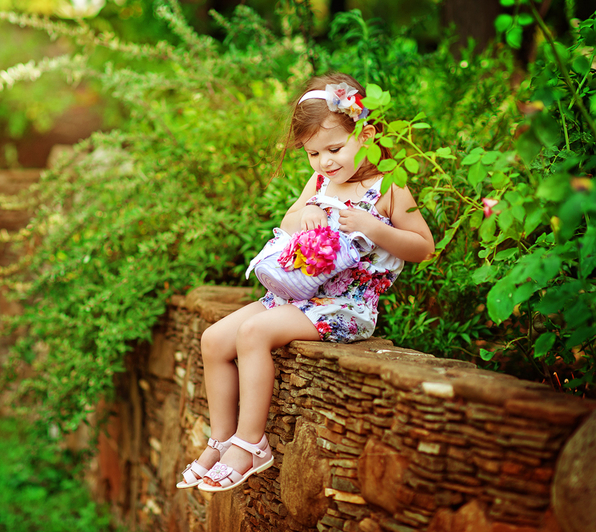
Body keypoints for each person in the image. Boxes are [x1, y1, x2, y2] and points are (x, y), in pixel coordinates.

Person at [176, 72, 435, 492]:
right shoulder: (319, 183)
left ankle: (251, 444)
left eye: (334, 148)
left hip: (345, 306)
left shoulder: (389, 188)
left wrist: (375, 228)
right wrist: (306, 213)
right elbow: (289, 221)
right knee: (213, 340)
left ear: (366, 134)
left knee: (254, 333)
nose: (324, 162)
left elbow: (424, 247)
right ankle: (221, 440)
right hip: (298, 295)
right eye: (313, 153)